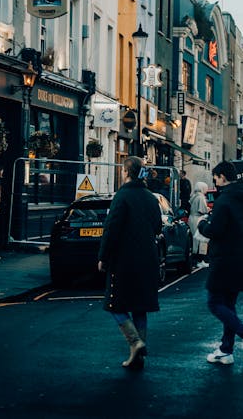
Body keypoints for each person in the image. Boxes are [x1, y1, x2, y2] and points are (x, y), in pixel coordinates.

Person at [97, 156, 163, 371]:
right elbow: (157, 228)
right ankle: (139, 357)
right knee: (140, 306)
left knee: (115, 304)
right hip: (148, 258)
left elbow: (111, 230)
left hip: (124, 260)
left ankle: (135, 342)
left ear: (126, 172)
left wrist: (103, 257)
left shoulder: (122, 196)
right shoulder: (151, 197)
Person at [198, 161, 243, 366]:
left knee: (214, 302)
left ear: (223, 177)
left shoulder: (224, 200)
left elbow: (214, 230)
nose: (215, 182)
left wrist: (202, 224)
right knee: (229, 304)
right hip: (242, 258)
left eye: (215, 178)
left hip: (224, 258)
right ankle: (226, 350)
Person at [188, 181, 210, 268]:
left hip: (192, 219)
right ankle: (200, 260)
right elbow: (202, 210)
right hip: (198, 219)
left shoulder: (194, 196)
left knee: (194, 241)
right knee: (201, 240)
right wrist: (208, 209)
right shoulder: (201, 197)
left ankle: (194, 261)